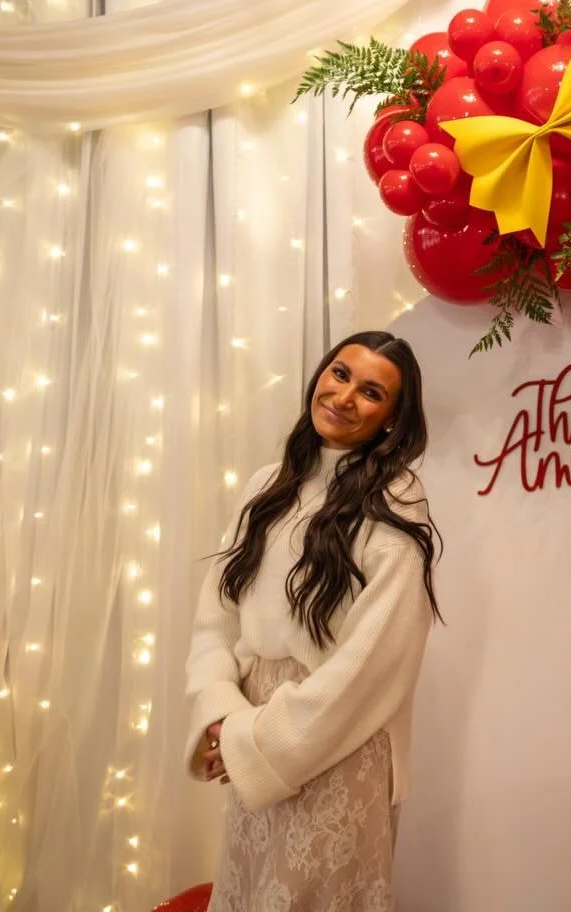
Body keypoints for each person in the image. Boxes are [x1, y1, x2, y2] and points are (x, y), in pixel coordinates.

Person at [183, 330, 441, 912]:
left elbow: (373, 664)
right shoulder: (268, 484)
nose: (344, 397)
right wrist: (221, 713)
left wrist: (258, 739)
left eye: (372, 392)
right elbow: (217, 614)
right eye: (341, 374)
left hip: (336, 742)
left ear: (392, 419)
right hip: (250, 725)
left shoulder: (395, 500)